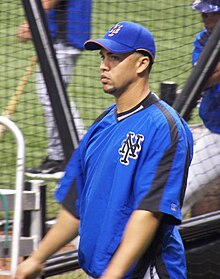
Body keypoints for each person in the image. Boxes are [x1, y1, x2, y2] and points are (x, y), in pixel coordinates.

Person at [14, 21, 193, 279]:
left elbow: (149, 213)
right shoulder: (102, 124)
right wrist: (39, 257)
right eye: (103, 56)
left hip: (146, 272)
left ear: (142, 63)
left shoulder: (164, 127)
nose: (104, 65)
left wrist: (114, 274)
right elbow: (76, 202)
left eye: (115, 57)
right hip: (103, 271)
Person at [17, 0, 92, 179]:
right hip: (62, 35)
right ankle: (70, 154)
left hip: (64, 37)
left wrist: (32, 20)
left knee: (52, 95)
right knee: (53, 94)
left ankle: (66, 157)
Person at [182, 0, 220, 217]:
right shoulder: (203, 40)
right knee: (181, 191)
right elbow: (205, 78)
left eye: (211, 15)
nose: (206, 21)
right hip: (216, 131)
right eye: (203, 15)